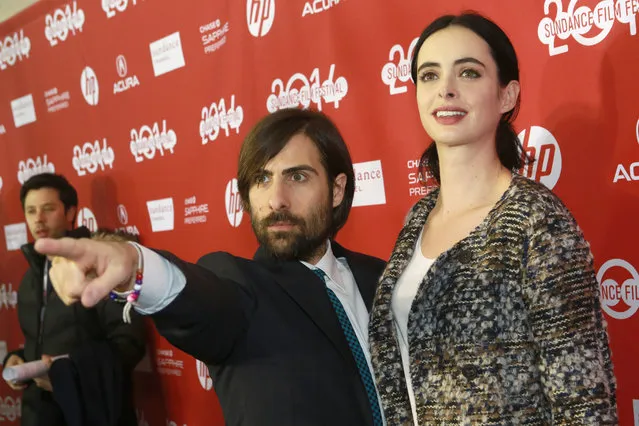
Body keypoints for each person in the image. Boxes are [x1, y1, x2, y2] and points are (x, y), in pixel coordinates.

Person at [36, 109, 386, 426]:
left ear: (337, 190)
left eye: (297, 177)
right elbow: (197, 299)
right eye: (262, 180)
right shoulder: (239, 286)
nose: (276, 199)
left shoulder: (384, 279)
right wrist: (136, 267)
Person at [368, 12, 618, 425]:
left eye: (468, 73)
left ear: (507, 96)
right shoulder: (417, 219)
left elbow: (584, 402)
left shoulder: (537, 221)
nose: (445, 90)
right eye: (429, 76)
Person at [1, 173, 146, 426]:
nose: (38, 219)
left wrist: (70, 377)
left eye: (48, 209)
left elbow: (129, 343)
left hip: (92, 414)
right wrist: (17, 359)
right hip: (41, 415)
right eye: (31, 211)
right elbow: (48, 342)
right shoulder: (30, 277)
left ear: (71, 213)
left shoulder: (99, 264)